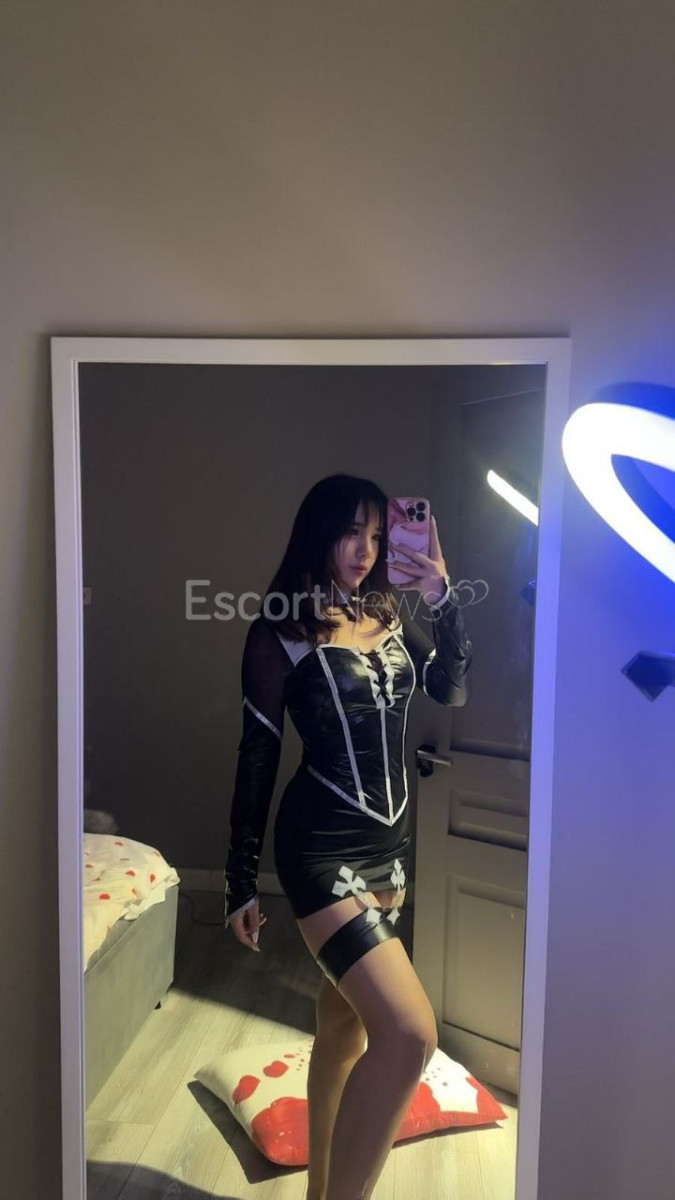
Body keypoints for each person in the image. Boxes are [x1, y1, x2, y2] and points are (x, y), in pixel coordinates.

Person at [224, 474, 472, 1200]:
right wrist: (240, 879)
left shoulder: (386, 614)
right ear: (317, 533)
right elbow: (258, 755)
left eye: (375, 535)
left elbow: (451, 689)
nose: (364, 550)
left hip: (390, 850)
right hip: (320, 850)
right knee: (410, 1032)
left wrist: (442, 596)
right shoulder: (279, 630)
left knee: (344, 1030)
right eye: (349, 532)